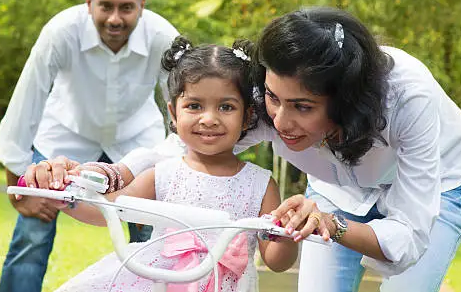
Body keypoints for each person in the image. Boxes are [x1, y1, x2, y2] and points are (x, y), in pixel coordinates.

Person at [36, 7, 461, 292]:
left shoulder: (407, 97)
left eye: (303, 107)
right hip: (334, 192)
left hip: (437, 189)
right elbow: (182, 148)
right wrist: (109, 175)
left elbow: (407, 241)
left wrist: (332, 226)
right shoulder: (267, 99)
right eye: (272, 99)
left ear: (345, 103)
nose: (280, 122)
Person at [26, 36, 300, 292]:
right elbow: (106, 211)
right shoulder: (164, 173)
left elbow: (276, 261)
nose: (209, 118)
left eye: (226, 107)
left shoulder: (260, 185)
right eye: (194, 106)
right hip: (161, 283)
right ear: (173, 112)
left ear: (247, 116)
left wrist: (286, 231)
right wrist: (64, 195)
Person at [0, 0, 179, 292]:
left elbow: (182, 109)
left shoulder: (163, 37)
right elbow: (27, 100)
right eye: (105, 5)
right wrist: (18, 185)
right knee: (31, 239)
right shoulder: (60, 32)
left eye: (126, 8)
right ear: (89, 1)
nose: (114, 18)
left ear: (142, 5)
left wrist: (179, 166)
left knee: (155, 242)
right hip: (62, 140)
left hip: (137, 145)